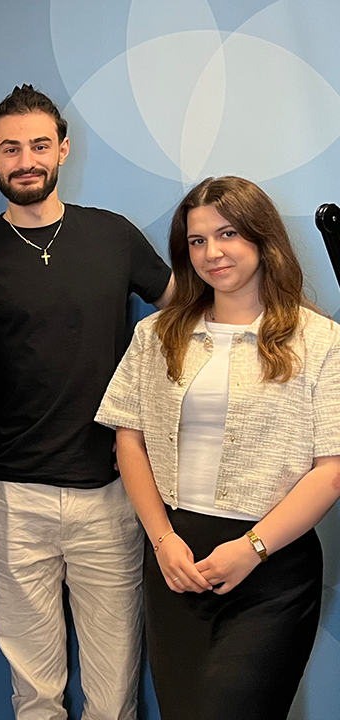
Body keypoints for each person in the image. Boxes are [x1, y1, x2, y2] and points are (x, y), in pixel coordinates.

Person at [0, 84, 173, 719]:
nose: (26, 160)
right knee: (35, 695)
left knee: (114, 696)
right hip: (13, 501)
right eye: (11, 148)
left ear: (63, 151)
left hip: (112, 494)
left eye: (39, 145)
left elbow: (187, 315)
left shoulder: (113, 236)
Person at [96, 176, 340, 720]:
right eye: (197, 241)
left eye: (227, 234)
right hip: (176, 561)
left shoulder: (322, 340)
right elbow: (129, 438)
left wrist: (251, 548)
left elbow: (332, 469)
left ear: (261, 238)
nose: (212, 253)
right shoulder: (156, 334)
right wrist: (162, 541)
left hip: (273, 567)